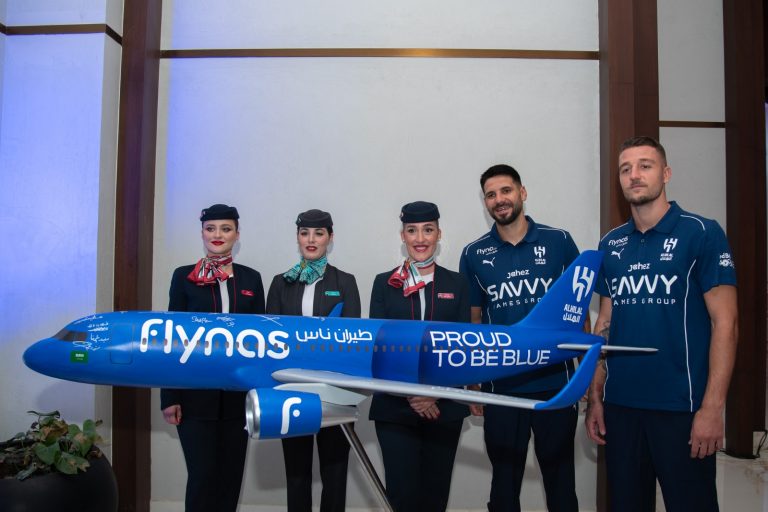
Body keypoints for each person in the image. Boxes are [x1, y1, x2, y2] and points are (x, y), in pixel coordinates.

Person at [585, 136, 738, 511]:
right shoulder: (610, 244)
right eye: (625, 169)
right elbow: (605, 321)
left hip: (682, 409)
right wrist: (596, 395)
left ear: (665, 173)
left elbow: (727, 323)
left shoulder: (701, 233)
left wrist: (712, 408)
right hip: (621, 408)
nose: (634, 175)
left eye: (645, 166)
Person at [459, 164, 581, 512]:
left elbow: (578, 311)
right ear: (485, 202)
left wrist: (586, 371)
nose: (499, 199)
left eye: (506, 190)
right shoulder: (473, 253)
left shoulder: (559, 241)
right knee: (504, 485)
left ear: (522, 193)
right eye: (491, 195)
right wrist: (472, 380)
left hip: (556, 384)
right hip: (502, 387)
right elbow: (473, 321)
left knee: (560, 481)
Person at [160, 203, 265, 512]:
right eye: (211, 228)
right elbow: (172, 338)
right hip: (195, 398)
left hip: (239, 399)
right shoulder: (184, 277)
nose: (218, 234)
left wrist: (261, 395)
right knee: (202, 478)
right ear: (202, 233)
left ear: (237, 234)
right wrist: (170, 396)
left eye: (226, 229)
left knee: (230, 479)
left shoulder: (251, 279)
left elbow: (262, 341)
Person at [369, 201, 470, 512]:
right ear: (403, 236)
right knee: (402, 497)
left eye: (428, 230)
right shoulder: (384, 283)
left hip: (444, 407)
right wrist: (414, 394)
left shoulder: (457, 283)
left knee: (435, 497)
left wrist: (433, 393)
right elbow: (379, 349)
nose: (420, 238)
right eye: (412, 231)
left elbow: (464, 347)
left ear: (439, 233)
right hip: (394, 407)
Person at [266, 209, 361, 512]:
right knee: (296, 474)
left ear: (330, 238)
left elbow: (352, 343)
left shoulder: (345, 282)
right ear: (297, 237)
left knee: (335, 473)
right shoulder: (281, 283)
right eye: (305, 233)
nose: (311, 239)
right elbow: (270, 342)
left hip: (335, 391)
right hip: (291, 392)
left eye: (319, 233)